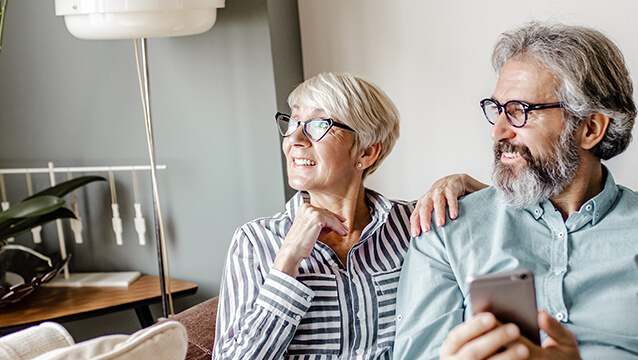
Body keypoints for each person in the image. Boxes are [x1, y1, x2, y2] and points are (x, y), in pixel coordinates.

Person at [394, 22, 638, 360]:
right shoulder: (446, 231)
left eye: (519, 111)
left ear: (590, 128)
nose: (497, 132)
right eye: (497, 109)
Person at [213, 72, 460, 359]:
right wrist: (287, 260)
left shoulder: (415, 224)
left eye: (318, 125)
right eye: (293, 122)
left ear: (366, 153)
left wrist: (464, 183)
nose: (294, 138)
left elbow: (508, 219)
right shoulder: (255, 242)